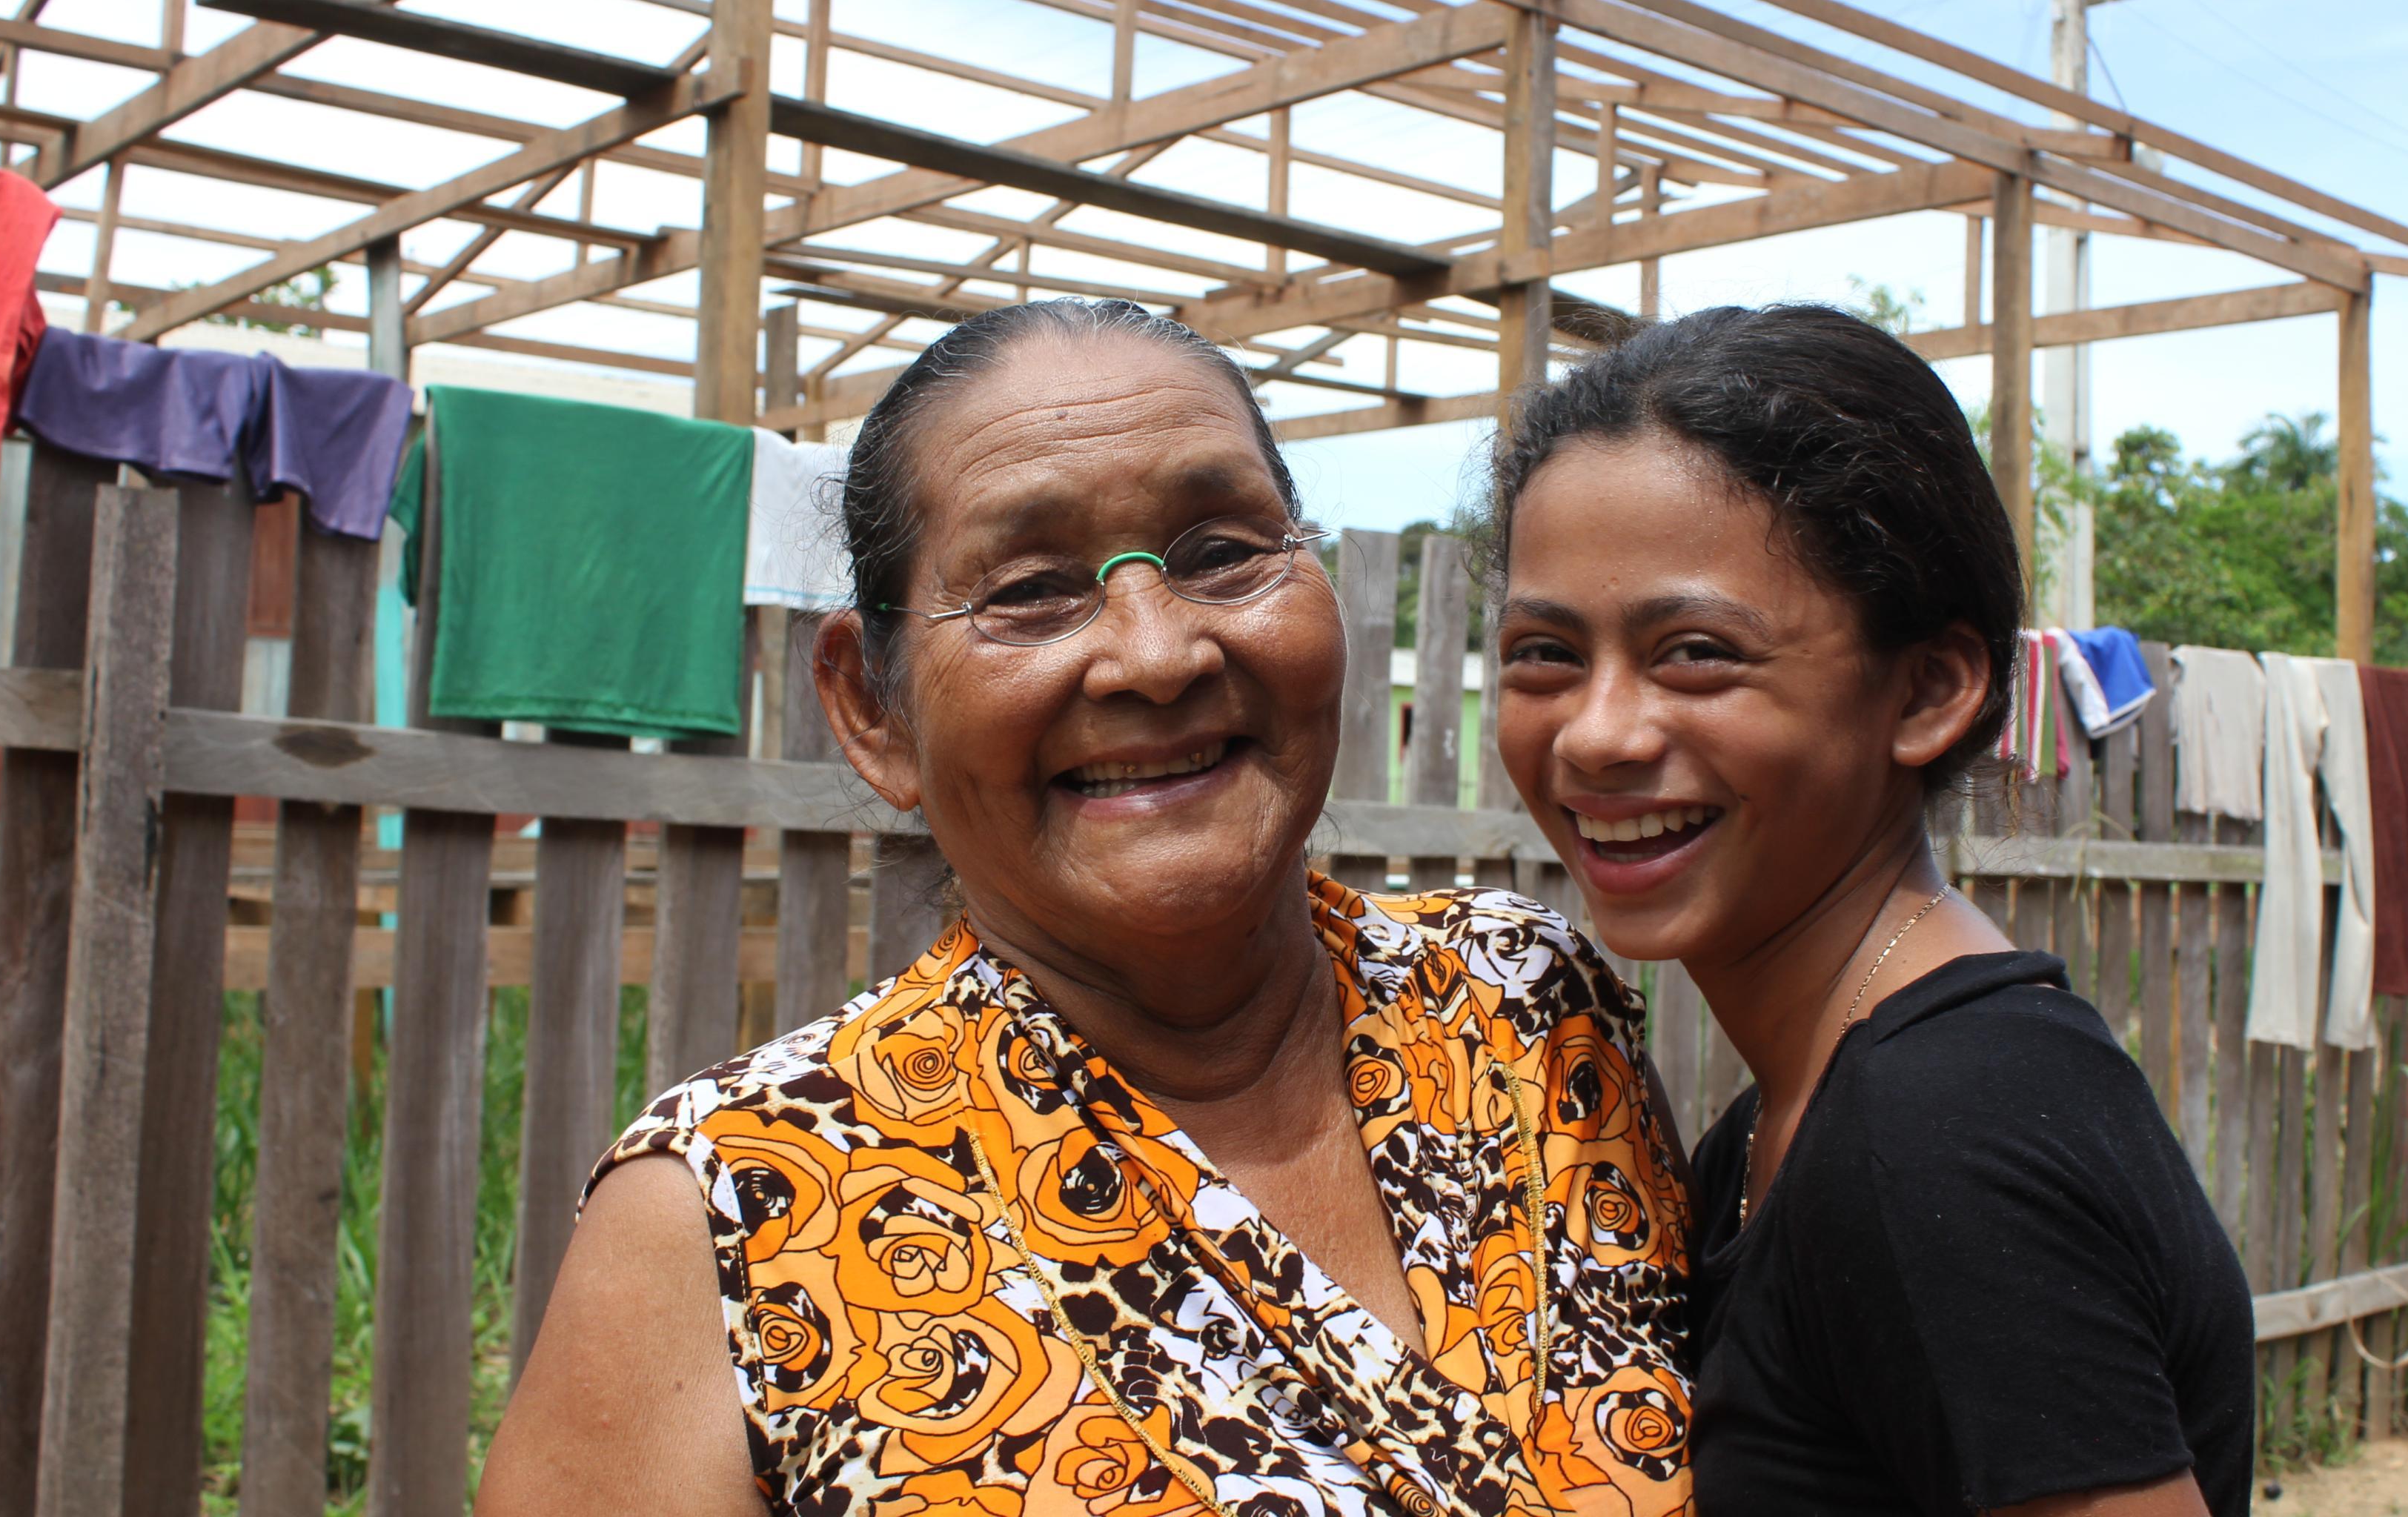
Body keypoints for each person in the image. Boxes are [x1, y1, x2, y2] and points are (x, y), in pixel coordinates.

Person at [478, 300, 1694, 1517]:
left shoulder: (1528, 1007)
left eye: (1224, 552)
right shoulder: (733, 1215)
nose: (1158, 655)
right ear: (871, 710)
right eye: (1032, 587)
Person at [1485, 304, 2254, 1517]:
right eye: (1543, 652)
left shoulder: (1939, 1132)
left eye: (1694, 651)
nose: (1597, 732)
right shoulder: (1787, 1120)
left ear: (1930, 690)